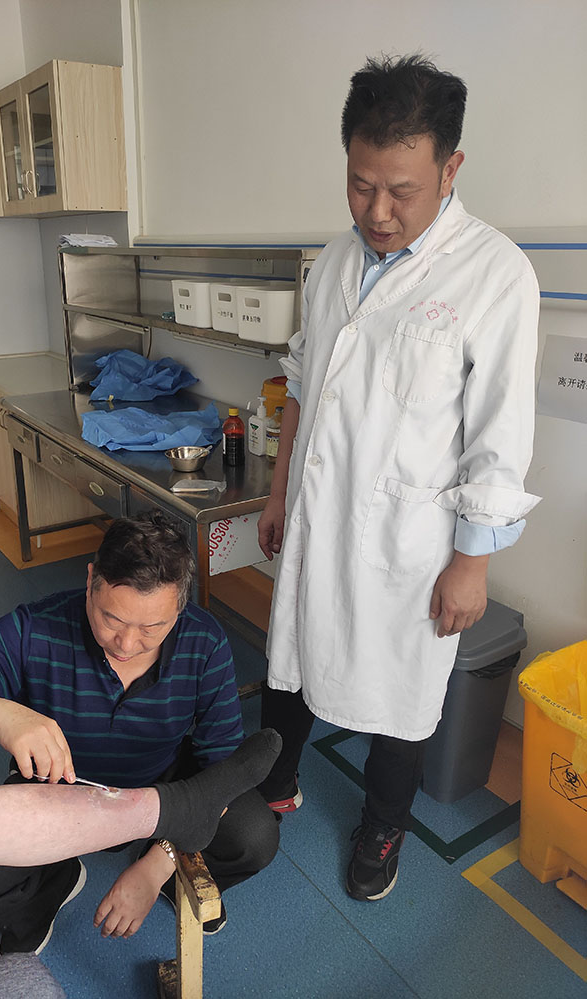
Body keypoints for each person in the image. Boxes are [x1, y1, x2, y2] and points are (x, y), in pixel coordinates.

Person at [257, 54, 540, 902]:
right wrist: (278, 489)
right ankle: (271, 780)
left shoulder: (495, 275)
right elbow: (302, 380)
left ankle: (383, 826)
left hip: (408, 543)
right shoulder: (334, 261)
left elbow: (500, 437)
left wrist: (472, 562)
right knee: (290, 655)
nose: (377, 212)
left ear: (451, 169)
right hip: (316, 510)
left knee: (401, 691)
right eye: (360, 185)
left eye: (401, 192)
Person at [0, 511, 279, 952]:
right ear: (90, 581)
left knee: (254, 836)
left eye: (152, 628)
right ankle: (56, 880)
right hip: (56, 788)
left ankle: (171, 878)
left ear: (179, 608)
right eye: (111, 619)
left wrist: (157, 867)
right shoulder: (35, 628)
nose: (127, 645)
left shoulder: (204, 641)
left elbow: (223, 768)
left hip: (163, 785)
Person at [0, 731, 281, 997]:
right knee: (25, 980)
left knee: (26, 984)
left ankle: (176, 818)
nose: (128, 642)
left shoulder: (201, 646)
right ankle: (170, 816)